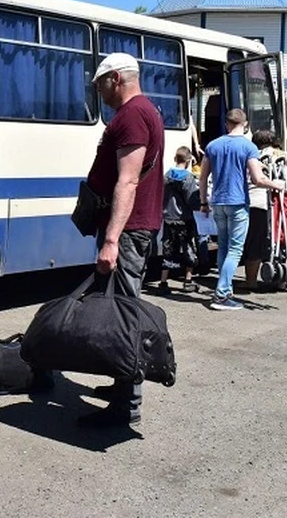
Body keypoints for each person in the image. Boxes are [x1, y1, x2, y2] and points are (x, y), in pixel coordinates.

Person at [80, 52, 164, 428]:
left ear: (116, 78)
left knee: (124, 314)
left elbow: (128, 180)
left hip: (127, 232)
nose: (99, 92)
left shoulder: (131, 115)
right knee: (117, 310)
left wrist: (111, 239)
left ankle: (126, 406)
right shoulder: (147, 111)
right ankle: (121, 386)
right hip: (132, 228)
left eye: (100, 85)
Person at [199, 110, 284, 310]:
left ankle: (225, 290)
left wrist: (203, 202)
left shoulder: (213, 145)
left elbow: (203, 178)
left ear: (226, 123)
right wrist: (277, 185)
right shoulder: (249, 147)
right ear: (245, 125)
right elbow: (257, 179)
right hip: (238, 202)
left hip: (218, 202)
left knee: (224, 247)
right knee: (236, 249)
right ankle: (221, 295)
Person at [242, 130, 287, 290]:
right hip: (285, 204)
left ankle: (250, 281)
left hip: (257, 203)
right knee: (283, 240)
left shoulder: (252, 156)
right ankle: (281, 280)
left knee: (255, 241)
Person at [158, 146, 200, 295]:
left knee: (168, 249)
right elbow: (192, 201)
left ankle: (163, 282)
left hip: (168, 218)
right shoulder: (189, 178)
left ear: (175, 159)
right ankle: (188, 281)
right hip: (184, 219)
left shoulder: (166, 176)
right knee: (188, 247)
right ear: (189, 161)